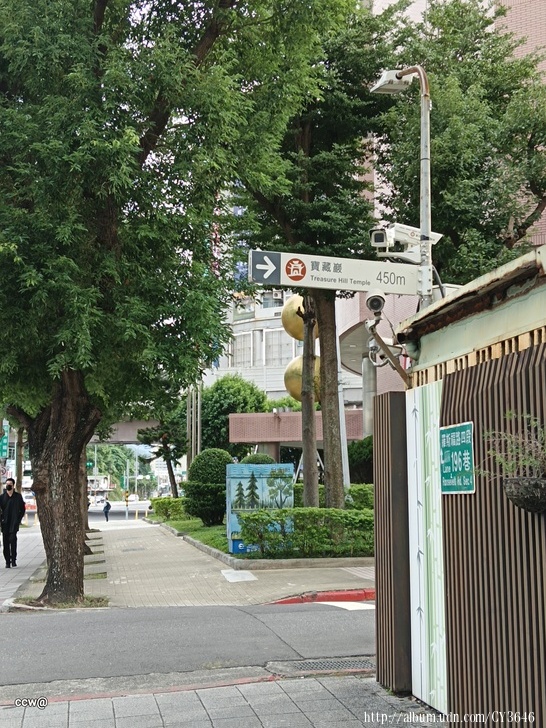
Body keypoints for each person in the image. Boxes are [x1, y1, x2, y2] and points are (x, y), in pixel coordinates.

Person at [0, 478, 26, 568]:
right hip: (5, 523)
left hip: (14, 523)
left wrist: (19, 519)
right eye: (7, 484)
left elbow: (22, 509)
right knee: (5, 542)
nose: (8, 485)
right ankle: (7, 561)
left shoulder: (18, 497)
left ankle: (13, 559)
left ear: (13, 485)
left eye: (10, 484)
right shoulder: (2, 497)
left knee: (13, 540)